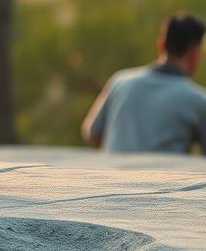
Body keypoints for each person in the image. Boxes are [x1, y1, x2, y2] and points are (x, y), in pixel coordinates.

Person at [81, 13, 206, 154]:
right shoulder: (198, 100)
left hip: (112, 173)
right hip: (165, 175)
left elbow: (91, 132)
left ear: (161, 45)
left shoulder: (120, 81)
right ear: (194, 53)